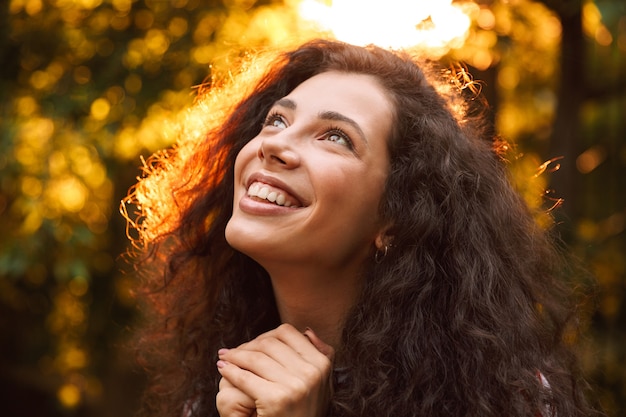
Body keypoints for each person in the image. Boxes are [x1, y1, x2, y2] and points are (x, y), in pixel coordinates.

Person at [123, 39, 600, 417]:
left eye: (335, 137)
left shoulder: (507, 402)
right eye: (276, 121)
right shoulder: (214, 393)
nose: (275, 145)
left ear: (396, 216)